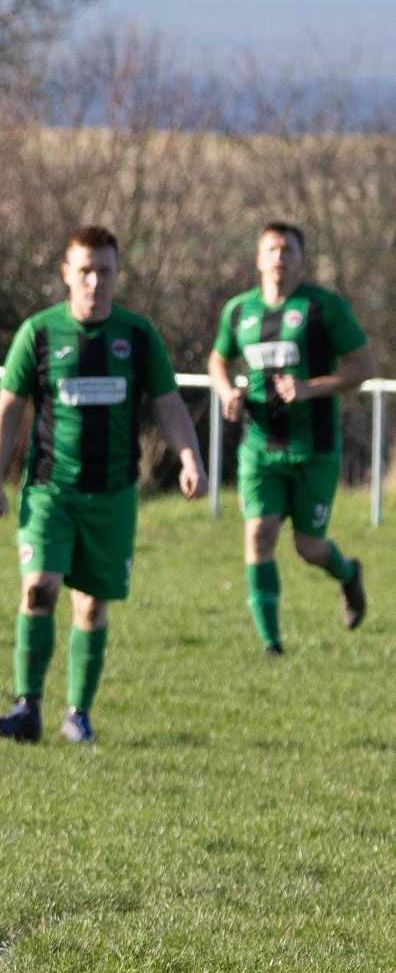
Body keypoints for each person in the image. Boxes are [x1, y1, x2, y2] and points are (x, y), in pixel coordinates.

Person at [0, 226, 207, 744]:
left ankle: (77, 714)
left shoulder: (139, 336)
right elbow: (7, 410)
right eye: (84, 271)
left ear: (118, 275)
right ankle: (27, 708)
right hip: (50, 489)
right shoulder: (38, 333)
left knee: (91, 605)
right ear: (66, 274)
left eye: (104, 271)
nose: (95, 282)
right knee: (40, 588)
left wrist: (189, 458)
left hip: (113, 496)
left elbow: (170, 405)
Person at [206, 221, 375, 653]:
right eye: (271, 249)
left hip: (314, 448)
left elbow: (362, 367)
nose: (279, 257)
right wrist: (227, 392)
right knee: (258, 533)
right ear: (257, 258)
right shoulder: (239, 312)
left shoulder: (324, 308)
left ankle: (349, 574)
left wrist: (311, 389)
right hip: (260, 446)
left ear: (302, 259)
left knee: (308, 546)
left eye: (288, 250)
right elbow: (218, 360)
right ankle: (271, 644)